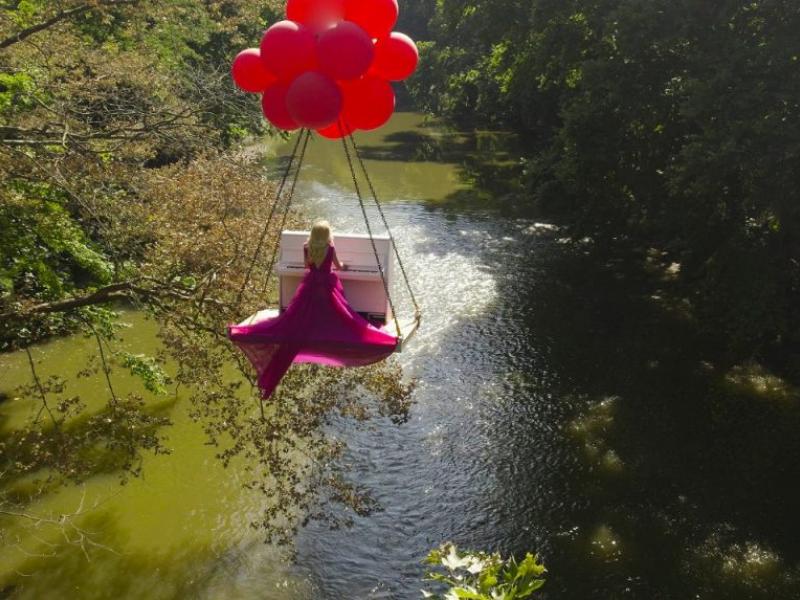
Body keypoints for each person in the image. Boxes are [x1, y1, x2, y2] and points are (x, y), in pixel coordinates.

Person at [228, 220, 398, 398]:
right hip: (327, 282)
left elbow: (305, 267)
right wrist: (344, 267)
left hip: (311, 281)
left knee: (302, 308)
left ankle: (315, 323)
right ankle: (328, 325)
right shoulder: (330, 248)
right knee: (340, 309)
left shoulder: (306, 247)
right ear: (327, 235)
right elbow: (338, 267)